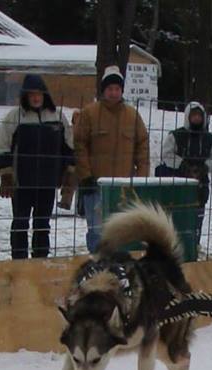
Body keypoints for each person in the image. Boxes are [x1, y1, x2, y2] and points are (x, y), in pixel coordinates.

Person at [0, 74, 75, 258]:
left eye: (39, 93)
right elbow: (3, 146)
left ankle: (40, 262)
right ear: (25, 96)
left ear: (45, 94)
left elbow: (69, 147)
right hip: (21, 183)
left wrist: (69, 173)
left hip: (47, 183)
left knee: (42, 225)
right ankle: (19, 262)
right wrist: (6, 175)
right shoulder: (14, 117)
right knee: (20, 224)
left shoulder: (58, 117)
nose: (36, 98)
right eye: (32, 94)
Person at [74, 65, 150, 253]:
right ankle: (98, 266)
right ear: (103, 90)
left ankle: (122, 268)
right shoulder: (89, 114)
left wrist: (140, 179)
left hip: (124, 187)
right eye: (110, 89)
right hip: (96, 186)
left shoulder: (133, 116)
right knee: (97, 231)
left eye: (117, 89)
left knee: (124, 229)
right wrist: (85, 176)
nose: (114, 93)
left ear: (122, 91)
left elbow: (142, 148)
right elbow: (79, 146)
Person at [159, 101, 212, 248]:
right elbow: (166, 154)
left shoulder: (209, 139)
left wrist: (205, 168)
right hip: (177, 184)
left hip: (200, 185)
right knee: (176, 220)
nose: (197, 118)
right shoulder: (176, 135)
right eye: (193, 115)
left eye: (199, 115)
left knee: (196, 221)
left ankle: (193, 247)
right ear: (187, 116)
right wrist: (182, 166)